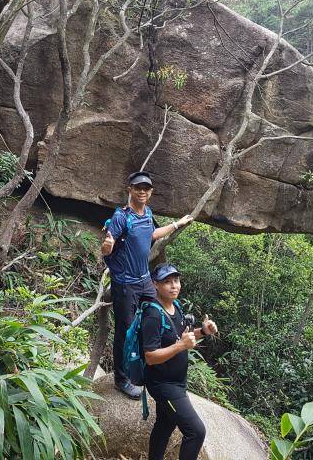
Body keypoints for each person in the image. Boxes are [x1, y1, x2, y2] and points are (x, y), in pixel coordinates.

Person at [100, 170, 194, 399]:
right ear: (129, 189)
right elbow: (107, 246)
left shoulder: (147, 213)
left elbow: (152, 234)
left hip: (144, 279)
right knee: (126, 330)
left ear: (150, 192)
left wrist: (177, 224)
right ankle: (122, 379)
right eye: (137, 188)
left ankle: (152, 365)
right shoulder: (122, 217)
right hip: (125, 284)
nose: (142, 191)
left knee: (157, 316)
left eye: (146, 188)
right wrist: (107, 246)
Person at [142, 263, 218, 460]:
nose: (174, 286)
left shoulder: (175, 306)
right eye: (167, 282)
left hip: (177, 381)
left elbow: (181, 337)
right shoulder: (152, 314)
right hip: (163, 384)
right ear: (155, 284)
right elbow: (150, 357)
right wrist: (181, 346)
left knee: (164, 425)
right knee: (196, 431)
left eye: (176, 281)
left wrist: (203, 332)